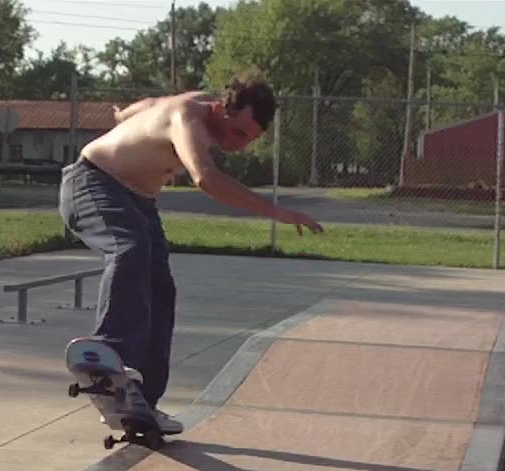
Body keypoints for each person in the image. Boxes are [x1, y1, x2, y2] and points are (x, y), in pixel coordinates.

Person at [58, 70, 323, 435]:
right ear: (219, 109)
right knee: (129, 249)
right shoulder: (188, 117)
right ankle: (105, 355)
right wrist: (278, 212)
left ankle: (141, 402)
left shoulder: (191, 103)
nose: (240, 144)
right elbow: (206, 178)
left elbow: (151, 105)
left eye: (252, 139)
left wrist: (123, 115)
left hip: (139, 202)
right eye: (239, 132)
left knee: (161, 289)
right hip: (93, 185)